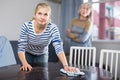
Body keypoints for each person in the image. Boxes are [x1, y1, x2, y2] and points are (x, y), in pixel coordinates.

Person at [18, 3, 79, 72]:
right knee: (26, 74)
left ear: (49, 17)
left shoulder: (53, 28)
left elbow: (58, 47)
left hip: (42, 54)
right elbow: (21, 47)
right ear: (35, 15)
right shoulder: (26, 26)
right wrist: (24, 63)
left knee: (42, 74)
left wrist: (65, 65)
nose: (42, 17)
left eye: (45, 14)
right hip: (27, 53)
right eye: (39, 13)